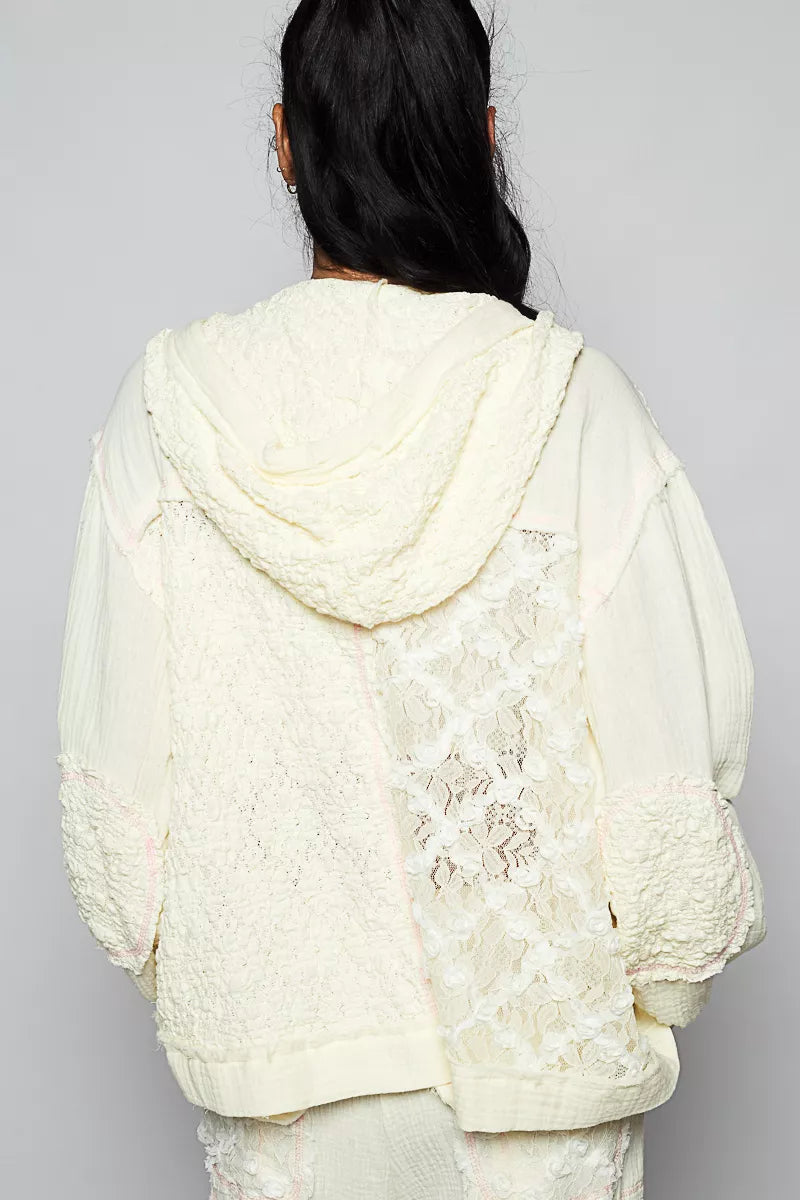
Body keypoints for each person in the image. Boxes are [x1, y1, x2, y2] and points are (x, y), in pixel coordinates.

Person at [56, 1, 766, 1196]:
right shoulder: (572, 403)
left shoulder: (165, 415)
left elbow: (116, 826)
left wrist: (260, 1008)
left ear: (283, 141)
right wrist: (645, 993)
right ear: (481, 137)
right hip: (538, 1086)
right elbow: (665, 804)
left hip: (283, 1100)